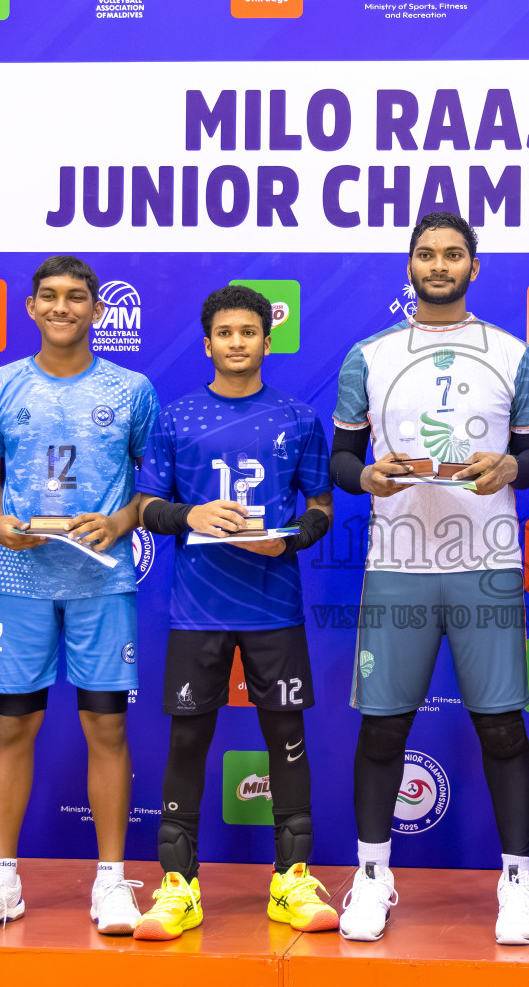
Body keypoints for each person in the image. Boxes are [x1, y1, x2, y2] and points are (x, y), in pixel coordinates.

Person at [329, 211, 529, 944]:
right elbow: (339, 460)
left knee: (501, 726)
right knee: (383, 726)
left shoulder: (513, 354)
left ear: (473, 267)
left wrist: (514, 468)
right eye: (426, 254)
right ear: (410, 265)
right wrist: (364, 476)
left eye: (453, 254)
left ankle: (517, 882)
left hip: (486, 566)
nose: (439, 264)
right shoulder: (371, 355)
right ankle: (370, 876)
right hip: (398, 567)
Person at [0, 256, 159, 936]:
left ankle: (110, 883)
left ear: (98, 310)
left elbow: (151, 489)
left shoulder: (133, 390)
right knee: (14, 725)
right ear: (31, 307)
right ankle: (2, 879)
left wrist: (120, 521)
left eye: (77, 297)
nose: (63, 307)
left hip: (103, 580)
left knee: (106, 725)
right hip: (20, 581)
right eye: (50, 297)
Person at [130, 284, 337, 940]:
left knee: (287, 739)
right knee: (188, 740)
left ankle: (292, 878)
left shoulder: (299, 418)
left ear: (267, 341)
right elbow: (143, 508)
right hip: (198, 610)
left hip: (273, 606)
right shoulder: (175, 416)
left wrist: (295, 536)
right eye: (226, 333)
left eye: (250, 332)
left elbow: (323, 509)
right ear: (208, 342)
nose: (238, 342)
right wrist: (188, 513)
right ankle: (177, 886)